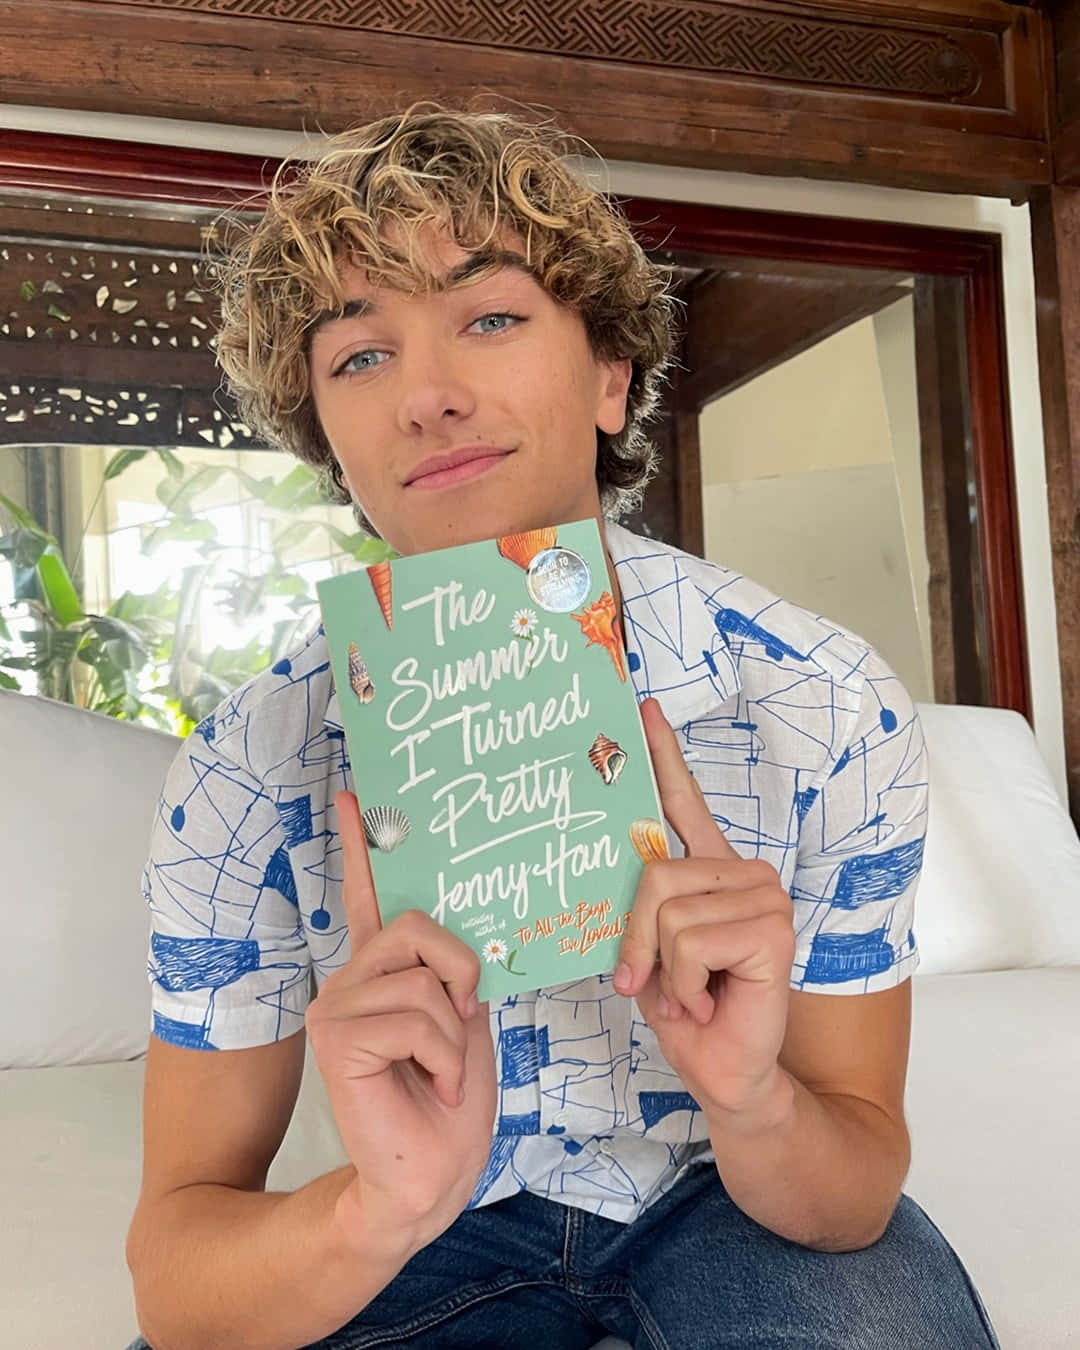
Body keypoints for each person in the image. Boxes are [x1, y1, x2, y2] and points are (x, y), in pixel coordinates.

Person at [124, 102, 999, 1350]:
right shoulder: (245, 772)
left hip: (734, 1196)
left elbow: (854, 1181)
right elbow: (176, 1281)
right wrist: (382, 1205)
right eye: (360, 356)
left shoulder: (819, 698)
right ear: (326, 434)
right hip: (426, 1222)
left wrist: (750, 1096)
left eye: (489, 318)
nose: (428, 394)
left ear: (610, 375)